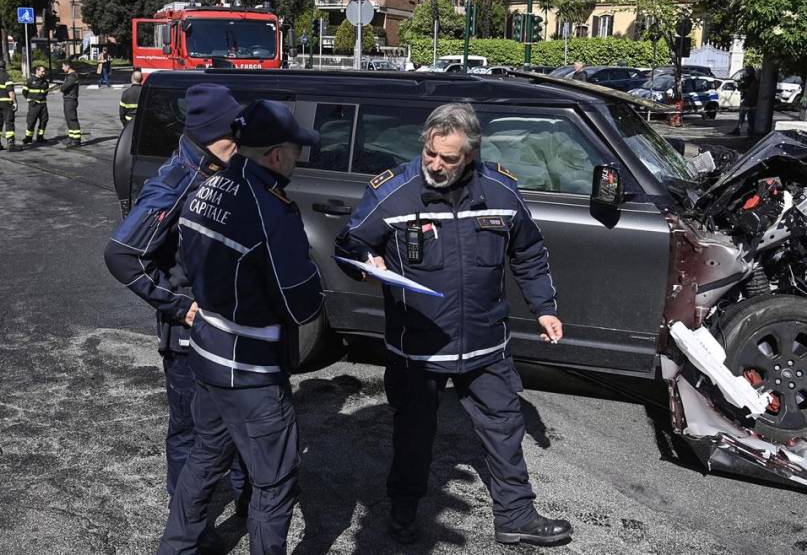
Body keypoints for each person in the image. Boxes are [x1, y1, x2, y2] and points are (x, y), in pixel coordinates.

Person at [334, 103, 572, 547]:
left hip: (486, 345)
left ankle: (516, 516)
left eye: (449, 158)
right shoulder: (393, 194)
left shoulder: (501, 192)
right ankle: (402, 514)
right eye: (430, 154)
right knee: (414, 436)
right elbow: (347, 246)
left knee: (504, 427)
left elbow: (528, 253)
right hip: (419, 350)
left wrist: (544, 307)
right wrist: (365, 262)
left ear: (471, 156)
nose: (436, 165)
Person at [158, 100, 324, 555]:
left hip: (205, 352)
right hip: (249, 367)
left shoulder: (207, 187)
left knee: (204, 459)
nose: (298, 158)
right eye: (295, 150)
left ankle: (176, 548)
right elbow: (299, 304)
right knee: (275, 482)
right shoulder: (275, 210)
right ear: (274, 155)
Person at [104, 84, 248, 522]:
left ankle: (246, 500)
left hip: (228, 327)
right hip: (189, 336)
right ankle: (188, 520)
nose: (239, 142)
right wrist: (179, 306)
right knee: (192, 431)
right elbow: (122, 255)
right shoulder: (174, 182)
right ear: (207, 134)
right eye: (232, 133)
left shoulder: (216, 169)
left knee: (240, 421)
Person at [23, 65, 51, 146]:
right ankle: (28, 138)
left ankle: (40, 137)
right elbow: (24, 92)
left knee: (44, 120)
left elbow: (45, 92)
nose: (44, 73)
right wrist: (29, 99)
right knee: (31, 121)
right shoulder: (30, 81)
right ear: (37, 71)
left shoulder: (45, 82)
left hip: (43, 104)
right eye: (42, 71)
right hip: (34, 104)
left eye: (44, 71)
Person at [59, 61, 82, 147]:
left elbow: (64, 87)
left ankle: (76, 140)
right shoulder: (70, 76)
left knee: (72, 119)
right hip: (68, 99)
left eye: (63, 66)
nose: (62, 68)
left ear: (68, 66)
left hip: (71, 100)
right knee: (68, 119)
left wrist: (62, 87)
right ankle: (71, 137)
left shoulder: (72, 76)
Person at [731, 66, 758, 136]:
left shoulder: (752, 80)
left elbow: (749, 90)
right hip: (749, 101)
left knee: (749, 118)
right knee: (745, 117)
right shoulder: (750, 79)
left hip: (749, 102)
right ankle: (741, 129)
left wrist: (741, 87)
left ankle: (750, 131)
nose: (745, 72)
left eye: (747, 71)